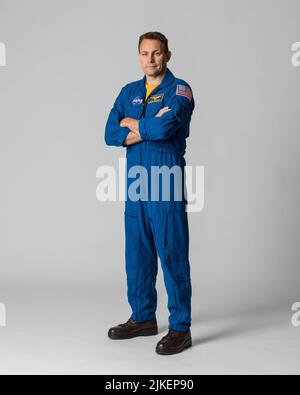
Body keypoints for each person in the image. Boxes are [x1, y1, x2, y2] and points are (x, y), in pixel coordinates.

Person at [104, 31, 195, 355]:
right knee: (137, 254)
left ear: (167, 55)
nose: (150, 59)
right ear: (139, 56)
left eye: (156, 53)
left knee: (171, 252)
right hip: (136, 183)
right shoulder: (128, 91)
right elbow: (109, 133)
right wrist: (144, 127)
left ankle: (181, 327)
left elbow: (165, 128)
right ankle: (143, 318)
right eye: (145, 53)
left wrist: (134, 125)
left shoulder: (179, 90)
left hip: (165, 181)